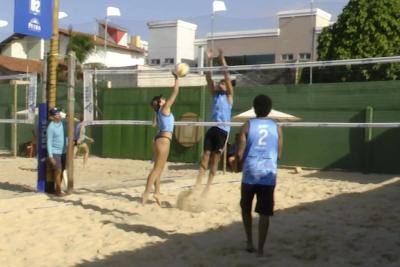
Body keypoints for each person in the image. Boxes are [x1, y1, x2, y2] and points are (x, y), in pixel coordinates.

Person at [236, 94, 283, 257]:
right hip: (268, 174)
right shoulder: (277, 127)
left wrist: (236, 161)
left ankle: (249, 242)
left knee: (246, 208)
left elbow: (240, 154)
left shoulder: (246, 126)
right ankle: (261, 249)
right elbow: (279, 154)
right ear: (270, 110)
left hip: (250, 173)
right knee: (264, 213)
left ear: (254, 108)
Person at [194, 48, 234, 195]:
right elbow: (208, 77)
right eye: (220, 83)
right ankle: (198, 182)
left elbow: (227, 76)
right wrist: (209, 60)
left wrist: (221, 58)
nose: (220, 84)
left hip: (223, 130)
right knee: (205, 155)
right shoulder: (215, 94)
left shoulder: (229, 96)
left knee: (215, 159)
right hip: (213, 127)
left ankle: (208, 186)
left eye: (222, 83)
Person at [142, 72, 180, 205]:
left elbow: (154, 124)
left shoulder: (158, 112)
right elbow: (175, 92)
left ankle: (157, 192)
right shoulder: (164, 109)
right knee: (157, 169)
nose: (164, 99)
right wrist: (177, 79)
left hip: (158, 139)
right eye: (162, 99)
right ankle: (146, 194)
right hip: (164, 140)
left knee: (159, 167)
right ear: (160, 103)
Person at [47, 107, 68, 196]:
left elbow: (70, 119)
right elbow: (49, 141)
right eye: (56, 114)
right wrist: (50, 156)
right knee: (58, 170)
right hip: (55, 152)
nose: (58, 115)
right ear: (52, 117)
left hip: (64, 151)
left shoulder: (63, 123)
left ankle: (58, 187)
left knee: (62, 170)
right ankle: (58, 190)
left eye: (59, 113)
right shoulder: (51, 127)